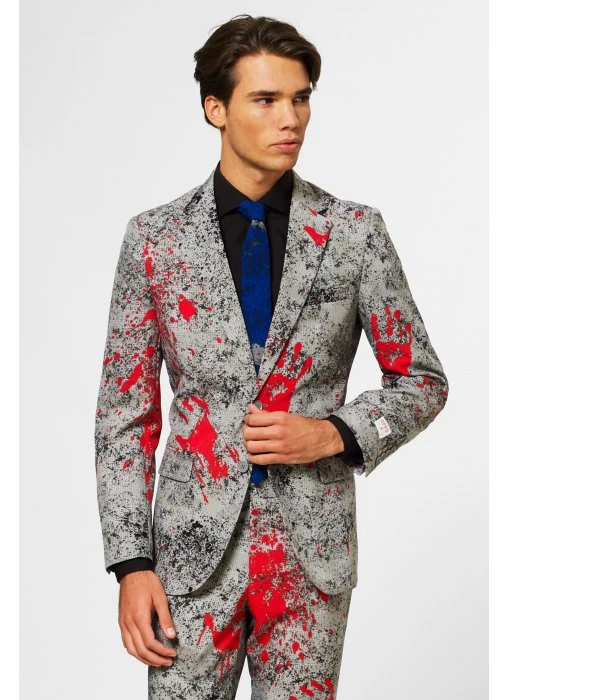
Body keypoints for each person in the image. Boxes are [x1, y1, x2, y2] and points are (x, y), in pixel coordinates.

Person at [94, 14, 449, 699]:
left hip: (311, 561)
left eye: (301, 97)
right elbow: (123, 417)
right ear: (216, 108)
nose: (292, 118)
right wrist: (131, 564)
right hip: (190, 564)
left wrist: (334, 433)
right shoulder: (155, 241)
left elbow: (422, 381)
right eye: (266, 99)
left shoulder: (354, 233)